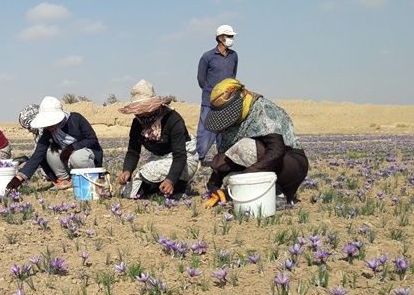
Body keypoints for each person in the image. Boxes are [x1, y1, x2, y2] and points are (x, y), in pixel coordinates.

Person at [203, 78, 309, 208]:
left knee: (243, 147)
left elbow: (276, 150)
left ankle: (276, 193)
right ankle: (261, 191)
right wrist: (214, 184)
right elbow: (226, 157)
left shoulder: (263, 109)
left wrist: (247, 176)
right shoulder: (232, 122)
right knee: (229, 178)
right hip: (264, 166)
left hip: (290, 165)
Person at [117, 80, 199, 199]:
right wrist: (127, 170)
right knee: (128, 193)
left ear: (155, 106)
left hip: (185, 159)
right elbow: (133, 151)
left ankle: (177, 184)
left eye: (145, 110)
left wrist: (171, 179)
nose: (142, 115)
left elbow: (180, 155)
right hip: (159, 160)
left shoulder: (173, 119)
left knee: (148, 171)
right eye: (139, 112)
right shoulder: (137, 123)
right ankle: (162, 188)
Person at [6, 96, 102, 191]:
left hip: (86, 155)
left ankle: (92, 179)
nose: (49, 125)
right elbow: (38, 154)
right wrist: (18, 178)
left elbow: (92, 139)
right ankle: (65, 181)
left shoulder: (75, 119)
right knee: (48, 151)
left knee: (77, 157)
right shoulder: (48, 130)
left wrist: (72, 148)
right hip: (66, 158)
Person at [196, 24, 238, 163]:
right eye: (229, 36)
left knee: (225, 132)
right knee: (206, 131)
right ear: (220, 38)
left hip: (228, 101)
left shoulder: (234, 56)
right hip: (210, 101)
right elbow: (201, 79)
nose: (232, 39)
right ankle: (198, 158)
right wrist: (212, 92)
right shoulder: (207, 56)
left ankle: (223, 159)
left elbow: (233, 76)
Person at [17, 104, 57, 183]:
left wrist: (22, 172)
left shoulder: (46, 129)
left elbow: (39, 155)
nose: (29, 130)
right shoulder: (39, 132)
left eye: (28, 127)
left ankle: (58, 179)